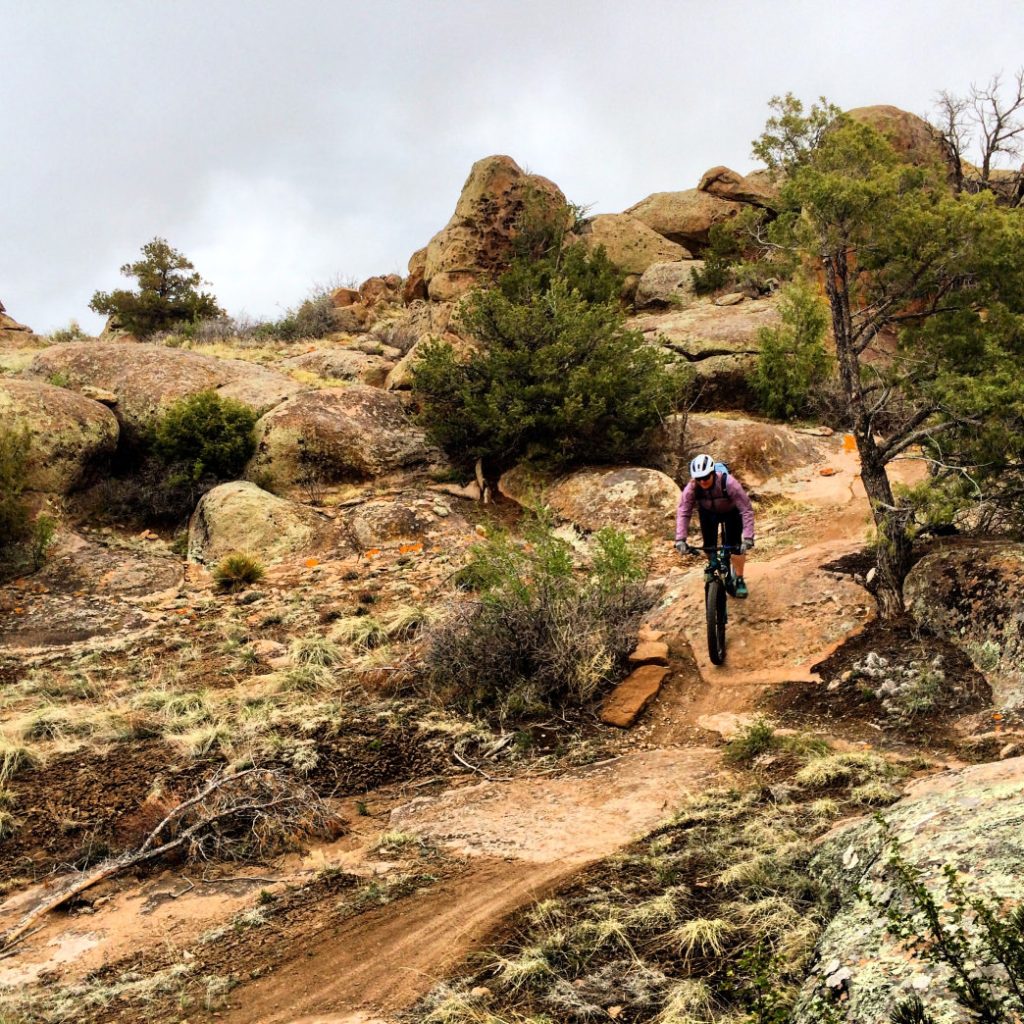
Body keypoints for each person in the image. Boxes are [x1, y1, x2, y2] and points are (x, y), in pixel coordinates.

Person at [674, 453, 755, 598]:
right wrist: (680, 539)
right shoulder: (693, 487)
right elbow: (683, 511)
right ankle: (713, 564)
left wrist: (748, 537)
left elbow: (746, 509)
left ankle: (740, 578)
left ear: (712, 473)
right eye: (699, 478)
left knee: (735, 547)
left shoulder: (729, 483)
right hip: (708, 513)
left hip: (731, 512)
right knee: (709, 545)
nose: (703, 481)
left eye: (706, 477)